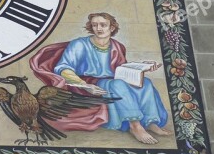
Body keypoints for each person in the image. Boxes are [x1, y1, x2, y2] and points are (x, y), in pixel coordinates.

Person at [30, 12, 171, 144]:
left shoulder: (117, 46)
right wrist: (85, 85)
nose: (98, 28)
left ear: (112, 27)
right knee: (118, 86)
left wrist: (142, 67)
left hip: (114, 79)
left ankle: (151, 122)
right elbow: (63, 68)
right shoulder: (79, 44)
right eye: (94, 25)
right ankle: (135, 125)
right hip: (88, 84)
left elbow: (122, 69)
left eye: (103, 25)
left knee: (145, 83)